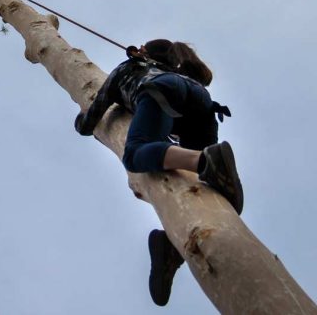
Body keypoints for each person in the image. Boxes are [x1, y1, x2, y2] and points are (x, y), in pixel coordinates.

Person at [74, 39, 243, 307]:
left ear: (143, 51)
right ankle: (173, 243)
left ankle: (205, 161)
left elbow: (97, 110)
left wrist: (82, 122)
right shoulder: (176, 70)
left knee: (136, 153)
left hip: (163, 93)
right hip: (201, 103)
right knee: (201, 186)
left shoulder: (128, 69)